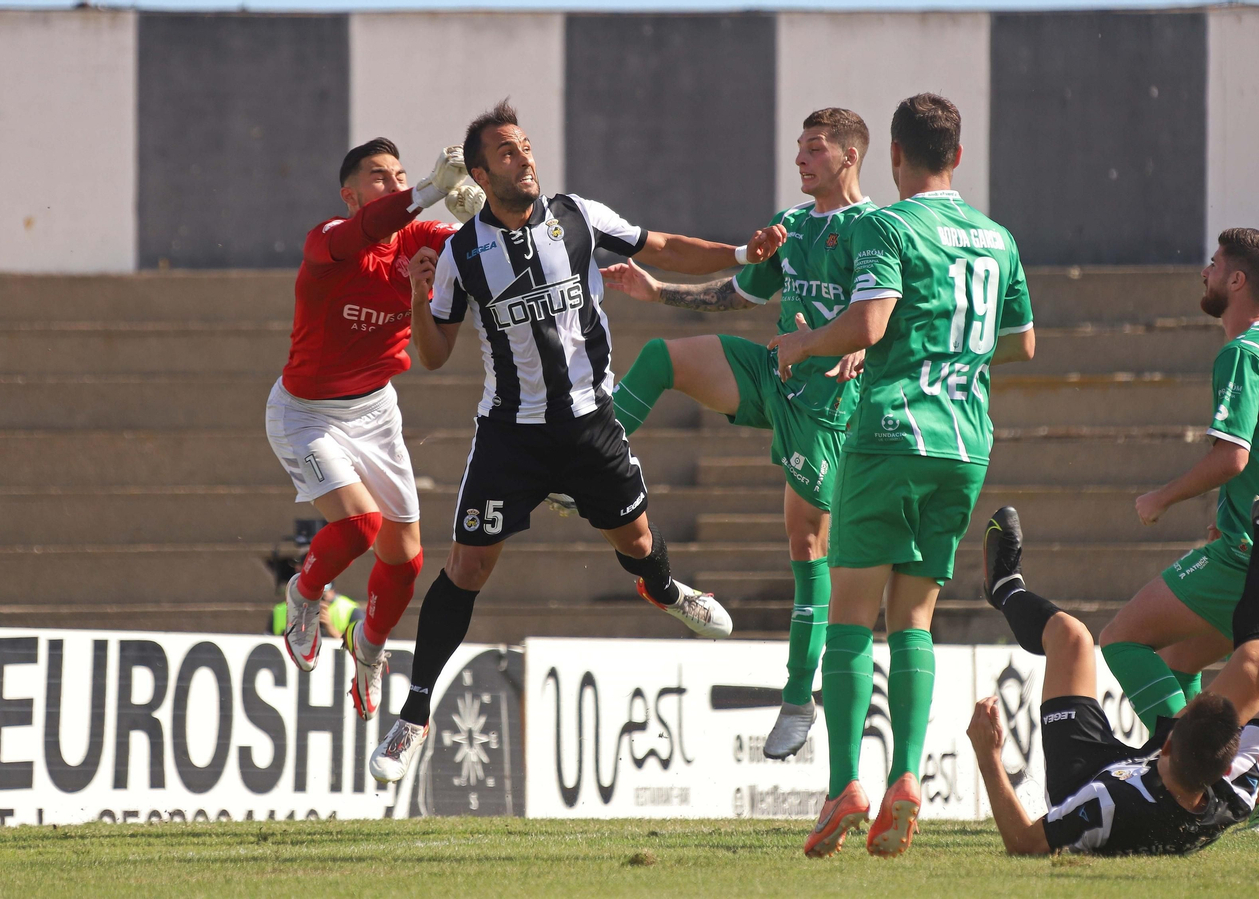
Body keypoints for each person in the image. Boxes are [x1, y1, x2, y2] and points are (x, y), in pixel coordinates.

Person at [367, 99, 784, 782]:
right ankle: (414, 712)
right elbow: (434, 355)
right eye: (507, 152)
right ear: (480, 174)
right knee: (466, 568)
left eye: (526, 146)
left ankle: (664, 589)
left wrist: (740, 254)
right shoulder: (462, 252)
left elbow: (660, 246)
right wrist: (417, 300)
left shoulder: (579, 216)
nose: (524, 158)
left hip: (590, 423)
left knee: (639, 544)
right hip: (510, 434)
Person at [770, 93, 1035, 857]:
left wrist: (804, 344)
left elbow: (870, 323)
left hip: (891, 432)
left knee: (851, 616)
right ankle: (908, 776)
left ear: (892, 155)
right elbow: (1020, 343)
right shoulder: (997, 237)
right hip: (965, 444)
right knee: (913, 617)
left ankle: (844, 786)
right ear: (958, 155)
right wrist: (954, 350)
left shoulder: (886, 225)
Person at [602, 107, 877, 760]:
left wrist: (866, 345)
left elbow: (900, 309)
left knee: (807, 542)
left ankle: (797, 698)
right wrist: (658, 290)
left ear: (849, 156)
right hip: (775, 372)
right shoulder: (793, 225)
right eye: (800, 147)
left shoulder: (876, 228)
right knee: (661, 359)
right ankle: (590, 462)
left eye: (815, 148)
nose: (801, 158)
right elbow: (741, 295)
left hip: (828, 404)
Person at [1096, 228, 1259, 833]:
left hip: (1258, 553)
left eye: (1213, 263)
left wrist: (1160, 497)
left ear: (1236, 279)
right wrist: (1230, 510)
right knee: (1180, 661)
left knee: (1121, 639)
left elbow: (1232, 456)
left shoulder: (1244, 353)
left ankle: (1182, 777)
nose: (1204, 271)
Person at [969, 466, 1259, 855]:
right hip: (1162, 776)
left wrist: (989, 757)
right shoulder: (1232, 792)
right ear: (1225, 769)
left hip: (1083, 774)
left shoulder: (1104, 804)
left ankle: (1005, 588)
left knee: (1071, 638)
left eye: (1184, 711)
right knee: (1258, 670)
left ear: (1170, 742)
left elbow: (1025, 844)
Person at [266, 136, 483, 721]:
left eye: (401, 175)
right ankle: (303, 595)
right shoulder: (328, 239)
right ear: (351, 194)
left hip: (375, 411)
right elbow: (370, 227)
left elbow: (486, 251)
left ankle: (368, 646)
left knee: (406, 560)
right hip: (306, 413)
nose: (394, 183)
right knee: (360, 526)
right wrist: (428, 191)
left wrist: (481, 215)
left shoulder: (419, 240)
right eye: (379, 176)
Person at [270, 586, 359, 640]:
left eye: (322, 597)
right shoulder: (282, 610)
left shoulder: (349, 611)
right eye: (311, 598)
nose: (317, 603)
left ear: (332, 592)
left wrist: (330, 629)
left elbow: (359, 650)